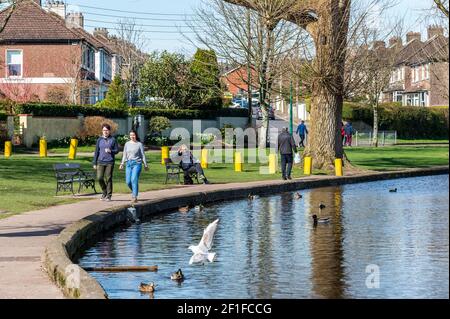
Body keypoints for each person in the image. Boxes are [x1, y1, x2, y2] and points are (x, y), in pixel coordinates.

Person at [119, 130, 148, 203]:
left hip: (137, 163)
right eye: (131, 135)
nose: (132, 136)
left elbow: (142, 155)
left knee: (134, 179)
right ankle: (135, 191)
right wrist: (122, 163)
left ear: (136, 135)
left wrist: (145, 164)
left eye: (133, 135)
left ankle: (134, 196)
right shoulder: (127, 144)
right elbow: (124, 154)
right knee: (128, 182)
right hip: (128, 164)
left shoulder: (139, 144)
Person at [93, 123, 119, 201]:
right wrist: (94, 163)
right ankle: (104, 191)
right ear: (102, 131)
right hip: (100, 162)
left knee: (108, 178)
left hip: (109, 162)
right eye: (104, 130)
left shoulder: (113, 139)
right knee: (99, 178)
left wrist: (111, 151)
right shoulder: (99, 140)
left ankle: (109, 195)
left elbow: (117, 150)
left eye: (107, 130)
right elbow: (96, 151)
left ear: (109, 131)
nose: (105, 132)